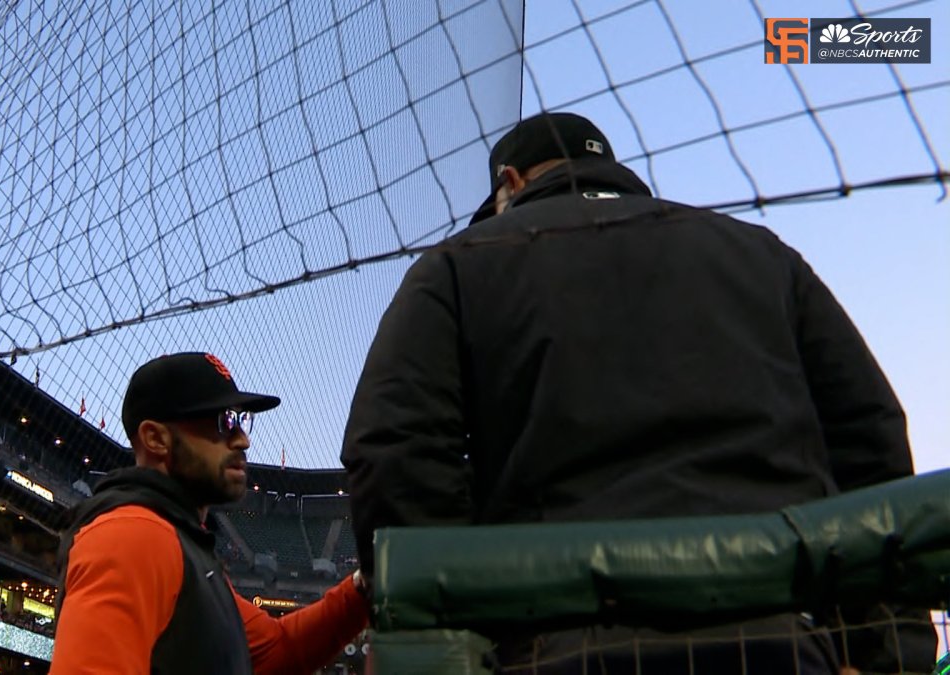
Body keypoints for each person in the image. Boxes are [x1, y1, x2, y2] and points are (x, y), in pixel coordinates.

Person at [340, 112, 933, 673]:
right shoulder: (761, 253)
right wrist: (887, 652)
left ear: (509, 182)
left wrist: (457, 634)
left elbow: (392, 449)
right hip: (772, 636)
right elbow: (870, 440)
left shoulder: (461, 260)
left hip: (556, 644)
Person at [51, 352, 369, 674]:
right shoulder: (132, 536)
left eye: (241, 420)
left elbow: (276, 649)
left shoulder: (178, 539)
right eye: (224, 422)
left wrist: (365, 587)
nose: (242, 440)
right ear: (156, 438)